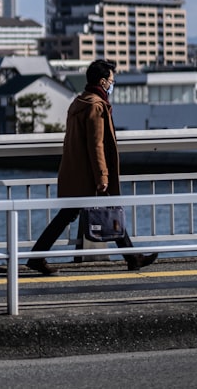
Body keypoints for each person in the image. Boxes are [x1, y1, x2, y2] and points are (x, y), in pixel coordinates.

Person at [27, 59, 157, 276]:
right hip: (90, 175)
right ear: (103, 82)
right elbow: (96, 144)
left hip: (75, 171)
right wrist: (102, 175)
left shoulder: (79, 102)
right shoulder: (96, 106)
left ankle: (133, 258)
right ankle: (133, 258)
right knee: (107, 212)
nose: (112, 85)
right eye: (112, 81)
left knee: (76, 214)